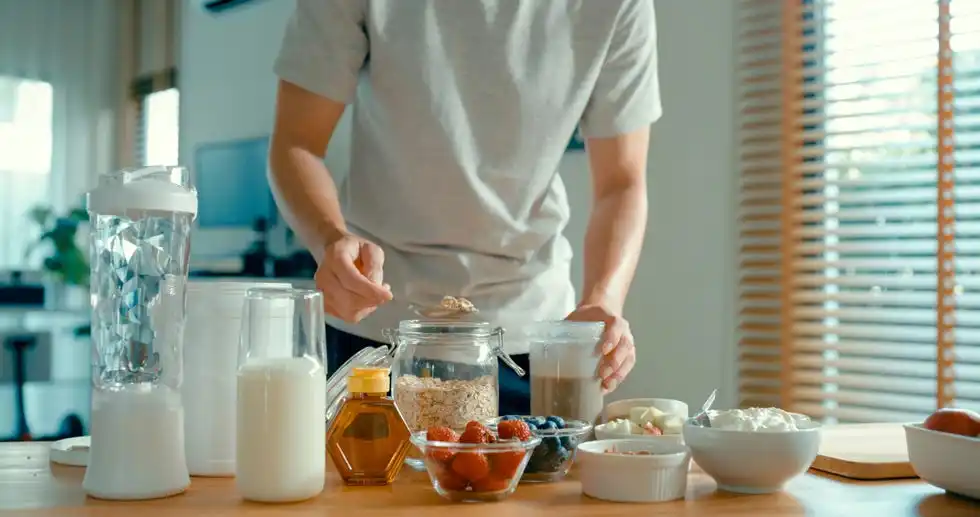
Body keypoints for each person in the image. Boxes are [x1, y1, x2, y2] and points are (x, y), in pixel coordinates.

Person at [268, 0, 660, 416]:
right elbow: (297, 143)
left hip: (531, 341)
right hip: (375, 326)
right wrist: (331, 240)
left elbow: (622, 182)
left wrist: (604, 300)